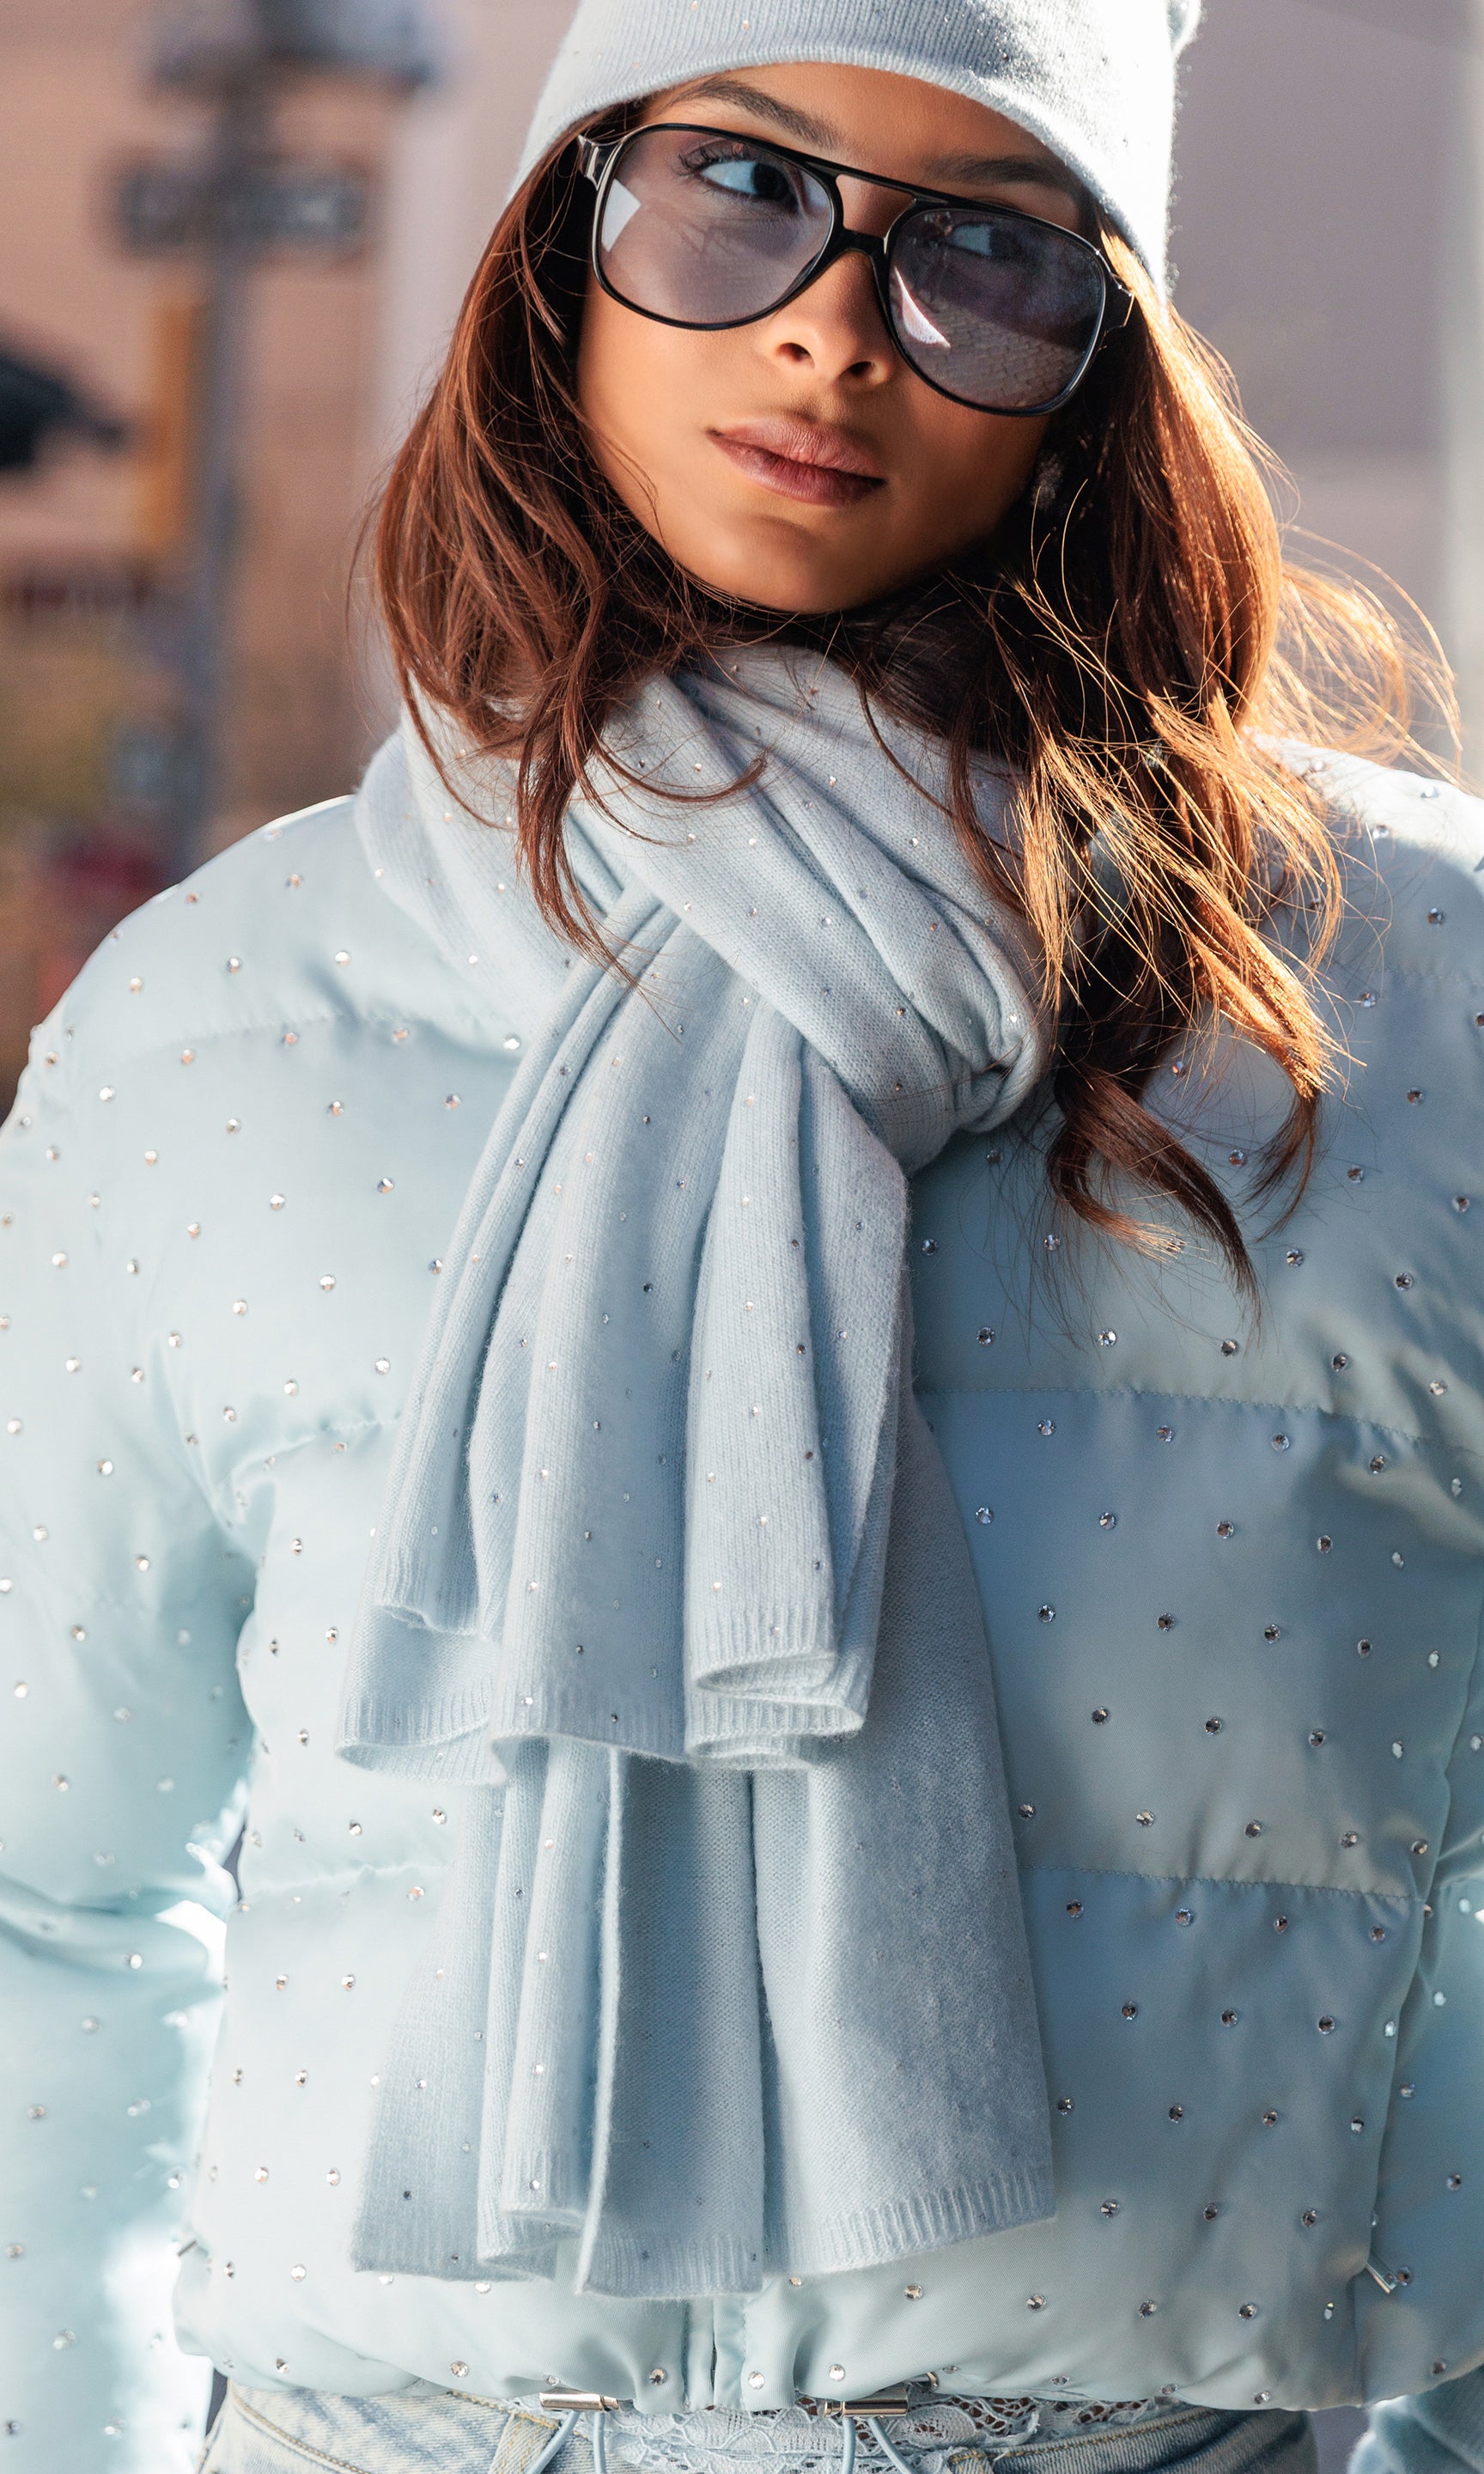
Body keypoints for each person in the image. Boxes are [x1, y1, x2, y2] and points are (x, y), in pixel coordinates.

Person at [2, 3, 1481, 2472]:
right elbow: (47, 1899)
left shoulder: (1408, 994)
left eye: (982, 260)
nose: (827, 327)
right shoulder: (223, 1022)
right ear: (562, 242)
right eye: (741, 189)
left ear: (1097, 367)